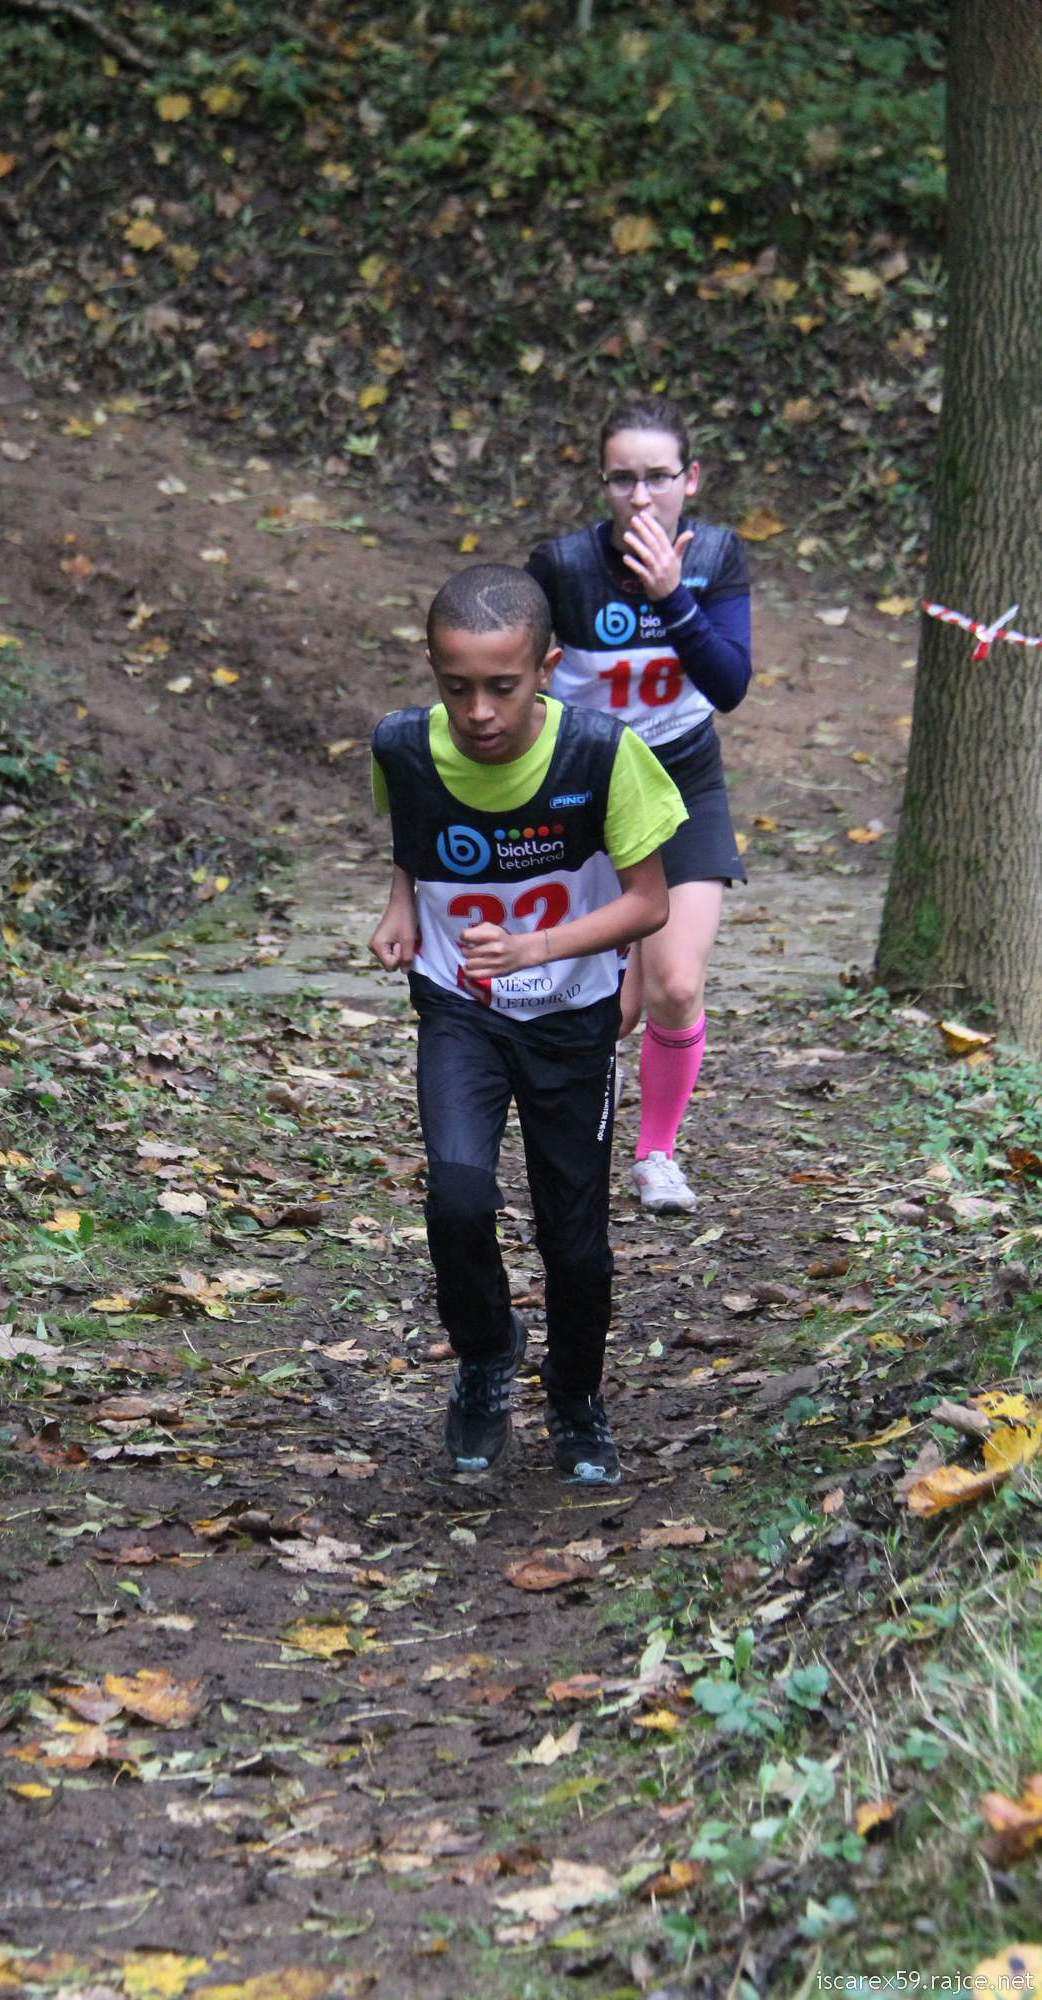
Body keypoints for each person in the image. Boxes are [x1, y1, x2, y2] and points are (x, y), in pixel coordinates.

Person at [368, 564, 686, 1482]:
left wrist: (538, 948)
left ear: (545, 668)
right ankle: (484, 1353)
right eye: (455, 686)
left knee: (574, 1242)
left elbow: (649, 902)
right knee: (457, 1199)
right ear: (432, 671)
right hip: (459, 1007)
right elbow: (414, 834)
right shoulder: (400, 746)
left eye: (501, 687)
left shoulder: (602, 755)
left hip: (569, 1016)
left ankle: (576, 1399)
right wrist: (400, 900)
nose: (477, 711)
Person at [526, 396, 751, 1216]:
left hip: (683, 783)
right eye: (623, 479)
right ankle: (562, 1140)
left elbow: (728, 684)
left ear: (690, 478)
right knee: (603, 1009)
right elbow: (517, 679)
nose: (642, 495)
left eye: (659, 476)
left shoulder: (716, 556)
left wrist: (671, 597)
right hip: (587, 793)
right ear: (603, 484)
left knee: (676, 984)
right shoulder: (560, 566)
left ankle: (656, 1155)